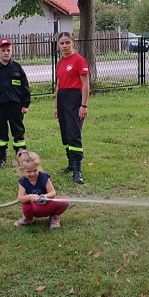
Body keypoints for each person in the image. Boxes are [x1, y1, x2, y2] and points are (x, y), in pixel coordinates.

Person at [0, 38, 31, 167]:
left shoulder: (17, 67)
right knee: (0, 131)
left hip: (15, 106)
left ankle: (21, 157)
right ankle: (2, 158)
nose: (6, 53)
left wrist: (25, 104)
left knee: (18, 130)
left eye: (8, 50)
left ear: (12, 51)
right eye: (3, 50)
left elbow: (25, 87)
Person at [54, 32, 90, 185]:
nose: (64, 46)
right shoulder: (60, 62)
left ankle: (77, 170)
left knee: (74, 133)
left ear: (72, 42)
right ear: (58, 45)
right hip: (62, 98)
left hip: (75, 99)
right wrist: (56, 106)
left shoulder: (79, 61)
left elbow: (86, 85)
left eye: (67, 43)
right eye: (62, 43)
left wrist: (83, 105)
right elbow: (58, 85)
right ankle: (70, 164)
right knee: (66, 134)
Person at [13, 149, 69, 229]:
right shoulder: (23, 182)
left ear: (38, 167)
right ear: (22, 170)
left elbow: (53, 192)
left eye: (35, 170)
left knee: (64, 201)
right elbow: (20, 198)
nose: (32, 174)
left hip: (48, 205)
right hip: (35, 208)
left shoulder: (44, 177)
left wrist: (46, 196)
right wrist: (30, 197)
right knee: (26, 206)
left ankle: (54, 218)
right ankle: (28, 219)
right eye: (28, 171)